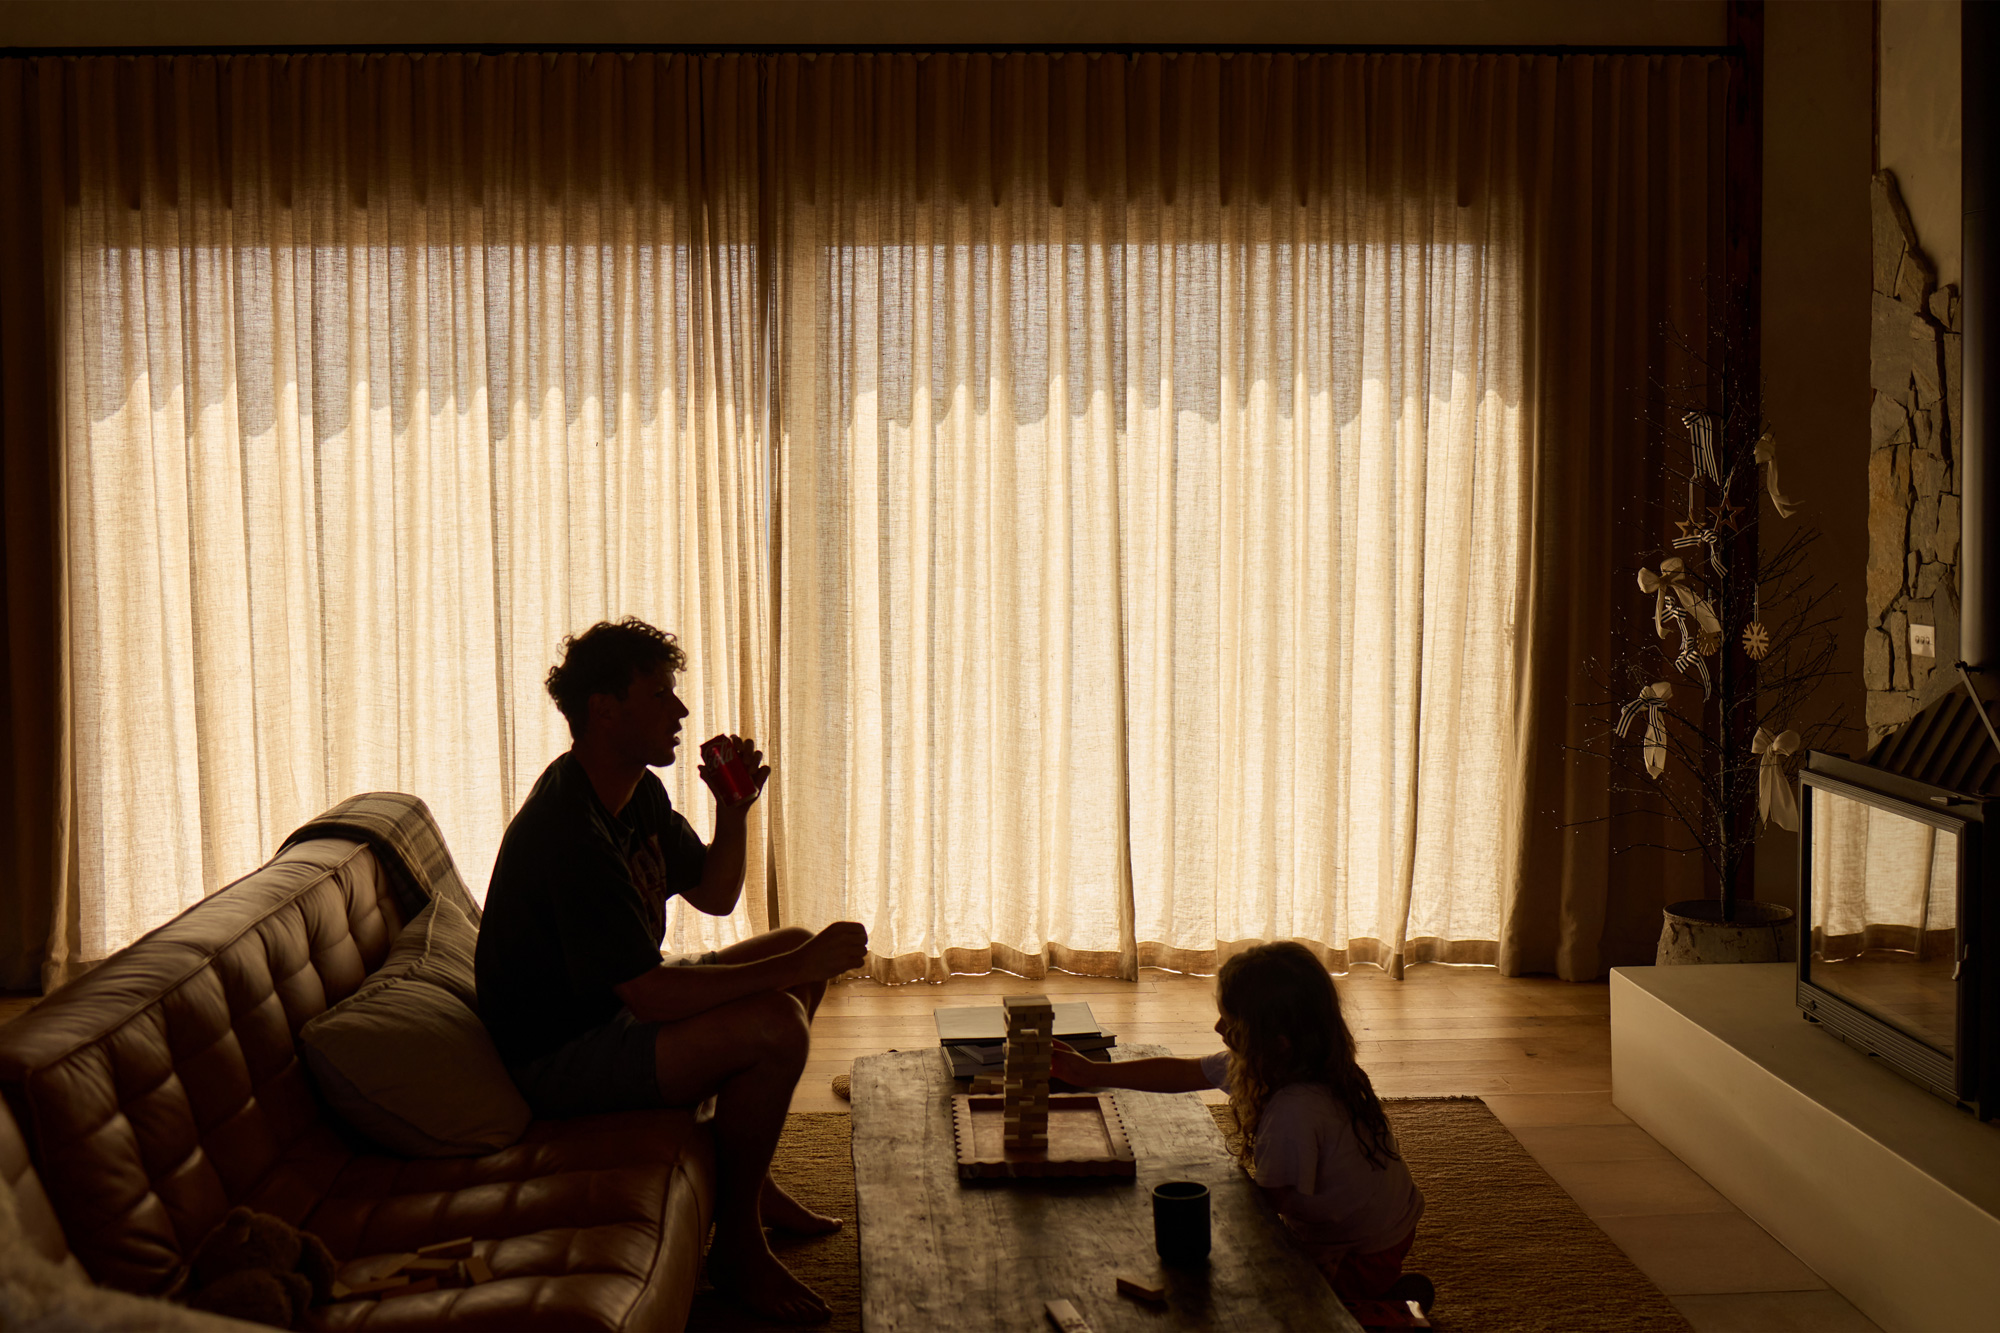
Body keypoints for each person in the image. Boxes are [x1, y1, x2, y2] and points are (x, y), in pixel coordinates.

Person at [475, 617, 867, 1326]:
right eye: (660, 695)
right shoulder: (568, 830)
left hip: (615, 1009)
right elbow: (652, 996)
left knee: (794, 952)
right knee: (778, 1020)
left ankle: (750, 1179)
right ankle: (737, 1244)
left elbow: (715, 896)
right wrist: (797, 964)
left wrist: (733, 811)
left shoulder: (636, 795)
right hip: (560, 1056)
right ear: (605, 710)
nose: (681, 710)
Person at [1050, 941, 1433, 1314]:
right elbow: (1183, 1072)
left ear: (1277, 1042)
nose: (1218, 1027)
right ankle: (1386, 1296)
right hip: (1381, 1226)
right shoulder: (1294, 1060)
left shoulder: (1295, 1109)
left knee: (1269, 1303)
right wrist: (1092, 1072)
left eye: (1232, 1023)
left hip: (1363, 1250)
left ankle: (1392, 1310)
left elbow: (1265, 1207)